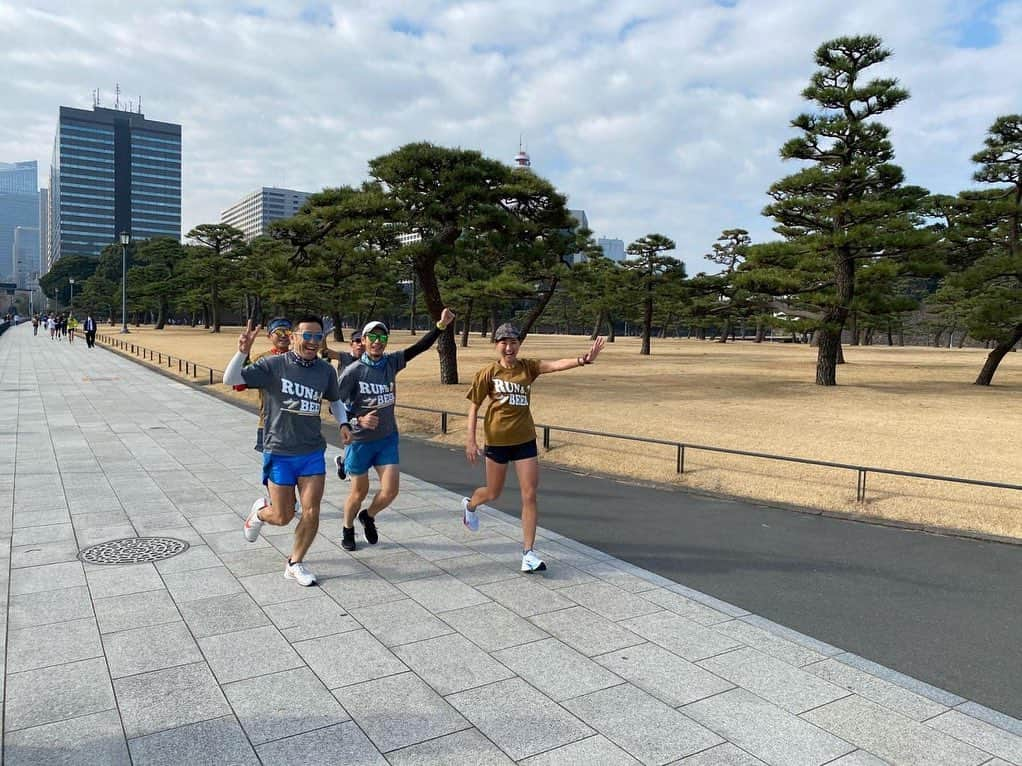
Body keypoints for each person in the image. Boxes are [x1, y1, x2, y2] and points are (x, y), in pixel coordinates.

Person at [462, 323, 605, 573]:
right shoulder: (487, 373)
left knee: (529, 494)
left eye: (513, 342)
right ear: (496, 345)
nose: (509, 347)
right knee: (493, 493)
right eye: (504, 342)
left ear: (519, 344)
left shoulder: (528, 367)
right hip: (496, 441)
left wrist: (584, 359)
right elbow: (474, 406)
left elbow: (555, 365)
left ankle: (528, 553)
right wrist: (470, 440)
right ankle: (471, 506)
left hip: (525, 440)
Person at [222, 315, 347, 586]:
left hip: (312, 451)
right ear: (293, 337)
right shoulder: (273, 364)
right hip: (279, 450)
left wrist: (344, 423)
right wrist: (242, 351)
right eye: (307, 336)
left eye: (318, 336)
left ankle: (295, 562)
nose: (313, 342)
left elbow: (335, 401)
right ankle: (258, 514)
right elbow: (230, 378)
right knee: (282, 516)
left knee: (312, 511)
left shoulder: (326, 371)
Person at [336, 308, 456, 551]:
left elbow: (419, 348)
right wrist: (358, 420)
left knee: (390, 491)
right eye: (373, 337)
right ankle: (347, 528)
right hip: (361, 441)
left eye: (382, 338)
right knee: (359, 492)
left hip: (387, 438)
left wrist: (440, 326)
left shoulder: (391, 363)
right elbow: (335, 406)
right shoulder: (353, 372)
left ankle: (368, 516)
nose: (377, 343)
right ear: (364, 340)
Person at [320, 330, 366, 480]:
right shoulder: (345, 357)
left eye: (362, 341)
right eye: (356, 341)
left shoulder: (368, 360)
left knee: (359, 440)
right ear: (351, 344)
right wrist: (323, 337)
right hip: (344, 406)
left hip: (362, 407)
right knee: (353, 437)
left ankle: (343, 462)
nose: (360, 344)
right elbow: (325, 352)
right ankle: (352, 469)